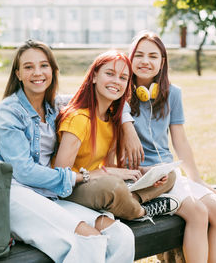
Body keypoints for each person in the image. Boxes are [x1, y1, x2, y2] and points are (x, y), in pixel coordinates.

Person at [0, 40, 135, 263]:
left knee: (121, 236)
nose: (37, 73)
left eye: (44, 65)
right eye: (28, 67)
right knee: (90, 240)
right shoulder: (9, 113)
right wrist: (84, 176)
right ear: (18, 74)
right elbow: (23, 172)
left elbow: (108, 92)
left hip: (47, 195)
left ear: (53, 70)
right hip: (13, 195)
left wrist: (127, 124)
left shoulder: (56, 105)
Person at [124, 30, 216, 263]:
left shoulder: (172, 93)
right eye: (139, 55)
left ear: (162, 62)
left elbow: (179, 139)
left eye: (153, 56)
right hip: (140, 177)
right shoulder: (119, 93)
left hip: (169, 172)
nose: (145, 61)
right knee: (198, 213)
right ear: (129, 58)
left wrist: (196, 178)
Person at [54, 50, 179, 221]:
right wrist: (106, 172)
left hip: (103, 184)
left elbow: (110, 165)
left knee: (168, 175)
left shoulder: (112, 119)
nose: (116, 81)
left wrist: (143, 172)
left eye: (122, 78)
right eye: (110, 74)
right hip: (73, 189)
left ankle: (127, 203)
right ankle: (142, 212)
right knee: (113, 187)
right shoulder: (78, 119)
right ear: (94, 76)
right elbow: (60, 175)